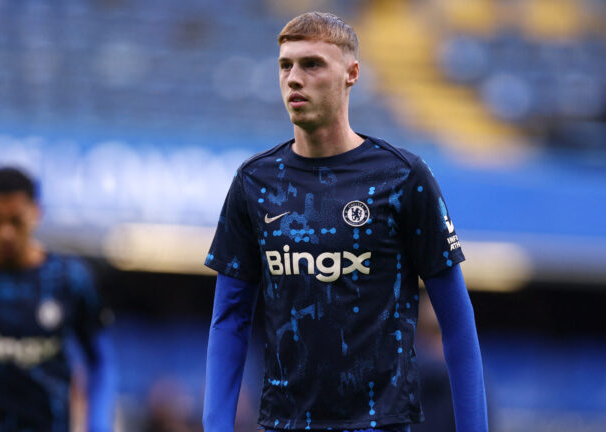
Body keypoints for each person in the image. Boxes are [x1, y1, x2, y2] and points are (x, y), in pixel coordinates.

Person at [203, 11, 487, 432]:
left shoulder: (402, 177)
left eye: (312, 64)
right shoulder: (254, 183)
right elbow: (229, 318)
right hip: (284, 425)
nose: (294, 78)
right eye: (285, 65)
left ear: (351, 73)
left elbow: (457, 323)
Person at [0, 167, 117, 431]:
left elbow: (101, 360)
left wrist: (98, 424)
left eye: (15, 221)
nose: (5, 233)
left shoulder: (69, 280)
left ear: (36, 212)